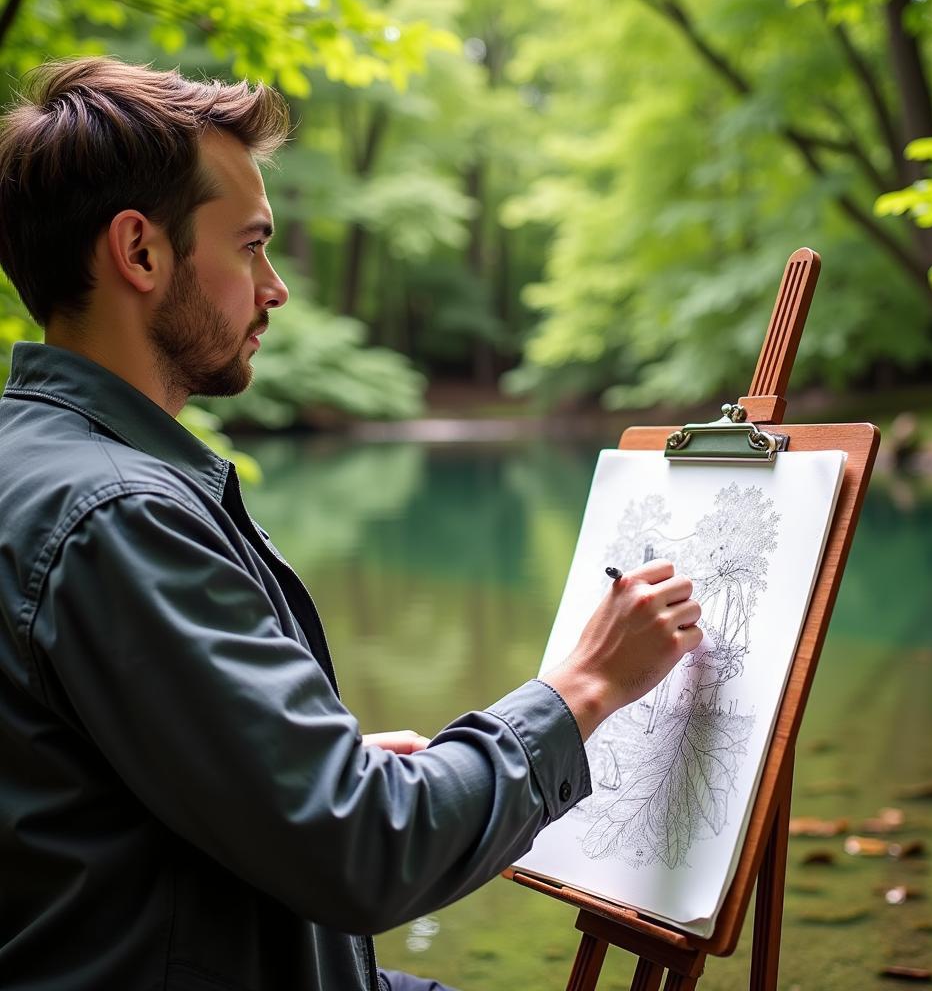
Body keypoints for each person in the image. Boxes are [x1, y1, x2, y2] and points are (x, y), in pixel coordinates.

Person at [0, 58, 702, 991]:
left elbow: (92, 799)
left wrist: (277, 770)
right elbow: (367, 849)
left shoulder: (33, 462)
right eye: (251, 245)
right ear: (140, 253)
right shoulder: (120, 517)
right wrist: (584, 689)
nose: (275, 286)